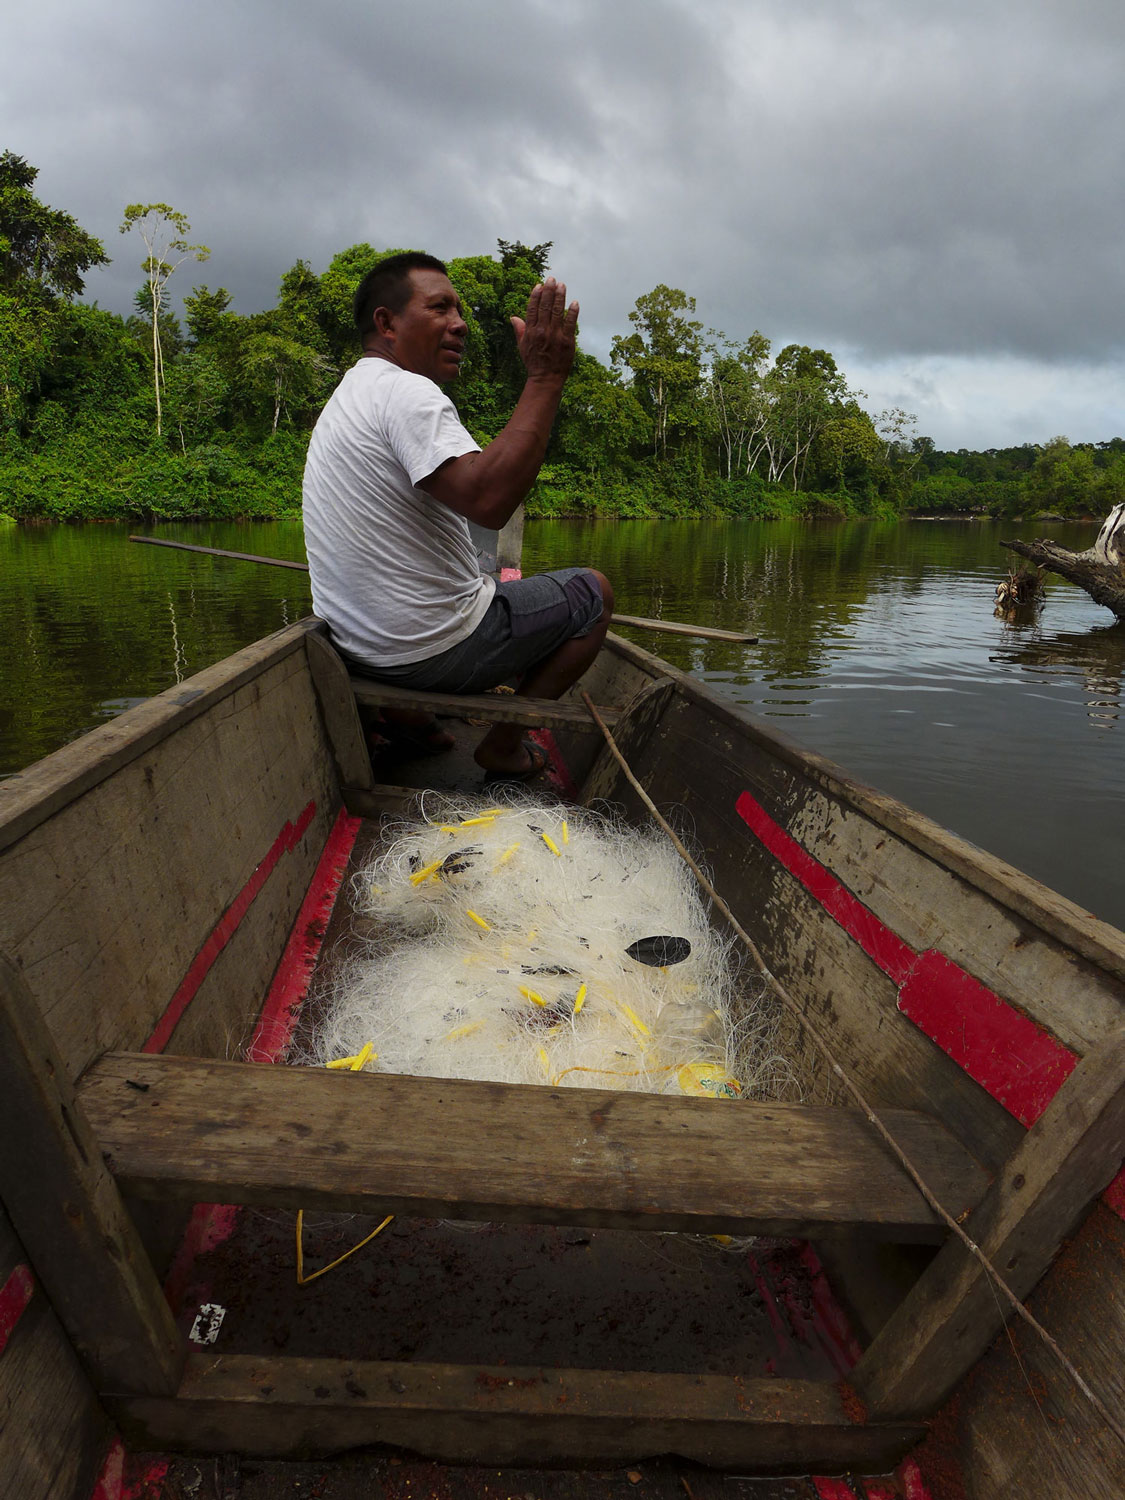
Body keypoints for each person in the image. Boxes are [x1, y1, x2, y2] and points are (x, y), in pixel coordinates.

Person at [302, 251, 613, 779]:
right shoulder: (406, 392)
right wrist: (546, 377)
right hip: (432, 650)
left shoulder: (351, 395)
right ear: (387, 323)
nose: (460, 323)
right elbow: (489, 503)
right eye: (440, 308)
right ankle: (501, 745)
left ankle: (411, 720)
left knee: (490, 582)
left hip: (357, 648)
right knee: (593, 593)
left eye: (459, 310)